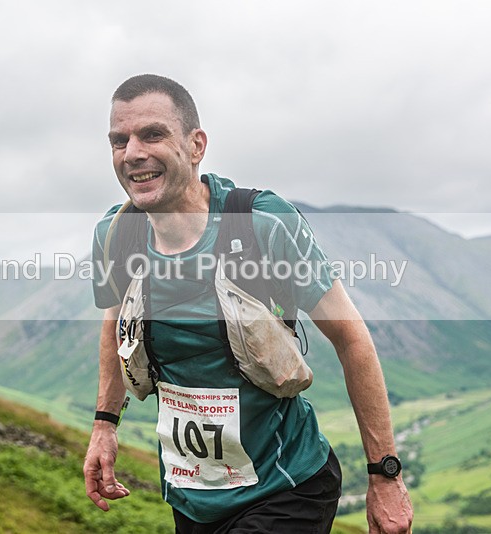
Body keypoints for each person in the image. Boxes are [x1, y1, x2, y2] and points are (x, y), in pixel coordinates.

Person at [83, 73, 413, 533]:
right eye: (119, 141)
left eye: (152, 134)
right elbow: (115, 323)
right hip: (194, 499)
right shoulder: (117, 234)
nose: (133, 153)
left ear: (196, 146)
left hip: (286, 488)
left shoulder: (262, 224)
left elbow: (351, 338)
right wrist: (105, 424)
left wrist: (385, 476)